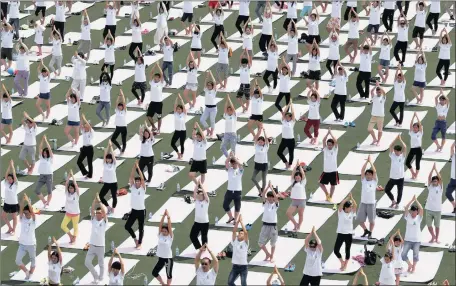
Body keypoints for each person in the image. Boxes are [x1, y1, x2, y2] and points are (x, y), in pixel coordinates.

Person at [85, 194, 108, 284]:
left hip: (101, 246)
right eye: (97, 213)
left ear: (102, 214)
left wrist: (100, 202)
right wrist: (95, 201)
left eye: (99, 213)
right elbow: (91, 210)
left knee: (101, 263)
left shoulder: (104, 221)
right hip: (92, 245)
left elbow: (105, 213)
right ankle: (95, 276)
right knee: (87, 262)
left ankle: (101, 278)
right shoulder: (94, 219)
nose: (98, 214)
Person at [125, 162, 147, 249]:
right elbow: (131, 177)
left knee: (141, 228)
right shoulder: (132, 187)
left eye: (138, 182)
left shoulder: (143, 188)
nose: (137, 182)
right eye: (136, 181)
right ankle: (135, 239)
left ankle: (140, 243)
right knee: (127, 226)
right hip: (134, 210)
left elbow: (142, 178)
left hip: (141, 210)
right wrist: (134, 168)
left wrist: (138, 168)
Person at [15, 194, 36, 280]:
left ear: (30, 212)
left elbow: (32, 212)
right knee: (17, 260)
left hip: (31, 244)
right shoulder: (22, 218)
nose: (25, 214)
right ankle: (27, 272)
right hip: (22, 244)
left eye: (27, 213)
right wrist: (23, 201)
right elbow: (21, 209)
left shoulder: (34, 220)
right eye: (25, 213)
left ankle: (30, 274)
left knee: (33, 261)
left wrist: (28, 202)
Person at [356, 155, 377, 239]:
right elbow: (362, 170)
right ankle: (365, 230)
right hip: (363, 203)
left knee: (371, 220)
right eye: (367, 174)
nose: (368, 176)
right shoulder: (363, 180)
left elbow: (374, 171)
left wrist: (371, 162)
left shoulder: (374, 181)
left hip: (371, 203)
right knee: (360, 220)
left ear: (372, 176)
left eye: (369, 174)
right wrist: (366, 162)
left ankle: (370, 232)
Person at [334, 194, 357, 271]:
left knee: (347, 250)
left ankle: (345, 264)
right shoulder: (340, 212)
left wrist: (352, 198)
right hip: (341, 234)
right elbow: (341, 205)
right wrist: (347, 198)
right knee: (336, 250)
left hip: (349, 234)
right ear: (346, 207)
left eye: (351, 207)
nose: (351, 208)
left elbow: (355, 206)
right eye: (350, 207)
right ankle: (342, 262)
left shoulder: (352, 213)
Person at [401, 195, 423, 273]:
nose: (413, 213)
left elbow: (421, 208)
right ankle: (410, 265)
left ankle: (413, 267)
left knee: (415, 255)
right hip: (408, 240)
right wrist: (411, 200)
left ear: (417, 212)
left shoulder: (419, 218)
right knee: (403, 255)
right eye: (412, 211)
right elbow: (406, 208)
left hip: (417, 240)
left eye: (415, 211)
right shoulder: (408, 216)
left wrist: (416, 200)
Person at [384, 135, 407, 208]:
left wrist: (400, 139)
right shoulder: (392, 155)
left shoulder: (402, 156)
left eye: (398, 151)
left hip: (400, 177)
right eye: (395, 151)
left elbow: (405, 147)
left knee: (399, 192)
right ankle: (393, 201)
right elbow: (390, 146)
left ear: (400, 151)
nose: (396, 152)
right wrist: (395, 139)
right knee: (387, 189)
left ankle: (397, 203)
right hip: (393, 177)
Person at [152, 210, 174, 286]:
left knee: (168, 274)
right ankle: (163, 284)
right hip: (161, 258)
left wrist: (168, 217)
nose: (164, 232)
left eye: (165, 231)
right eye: (163, 231)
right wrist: (163, 216)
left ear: (168, 232)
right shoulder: (160, 235)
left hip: (168, 258)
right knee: (154, 272)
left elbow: (170, 226)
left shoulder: (170, 237)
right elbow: (160, 225)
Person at [259, 181, 279, 262]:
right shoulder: (265, 204)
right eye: (269, 197)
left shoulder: (275, 205)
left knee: (273, 243)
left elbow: (276, 198)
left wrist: (271, 188)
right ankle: (267, 254)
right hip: (265, 225)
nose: (270, 198)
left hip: (273, 226)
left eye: (271, 197)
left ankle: (272, 256)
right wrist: (268, 187)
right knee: (260, 243)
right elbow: (263, 195)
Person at [227, 215, 249, 286]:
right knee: (230, 282)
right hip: (235, 266)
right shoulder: (235, 241)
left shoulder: (245, 243)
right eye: (239, 233)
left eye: (241, 233)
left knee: (243, 283)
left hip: (243, 267)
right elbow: (234, 231)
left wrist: (241, 222)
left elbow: (246, 233)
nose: (240, 234)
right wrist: (237, 222)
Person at [60, 170, 80, 244]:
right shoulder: (67, 193)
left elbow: (76, 184)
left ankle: (74, 238)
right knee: (63, 225)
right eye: (70, 188)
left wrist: (73, 176)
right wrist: (68, 176)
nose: (70, 189)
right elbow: (66, 184)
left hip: (75, 213)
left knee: (75, 227)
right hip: (68, 213)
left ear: (74, 189)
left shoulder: (76, 194)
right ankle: (70, 236)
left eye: (72, 188)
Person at [224, 153, 244, 224]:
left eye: (235, 163)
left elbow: (241, 165)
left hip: (237, 191)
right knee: (225, 205)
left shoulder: (240, 170)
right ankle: (230, 217)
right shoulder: (229, 169)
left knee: (237, 206)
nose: (234, 164)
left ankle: (235, 220)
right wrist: (230, 156)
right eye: (233, 163)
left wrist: (235, 158)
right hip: (229, 190)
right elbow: (226, 162)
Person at [319, 128, 339, 202]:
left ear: (333, 145)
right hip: (326, 170)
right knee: (321, 183)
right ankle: (327, 194)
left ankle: (330, 196)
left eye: (330, 145)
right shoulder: (325, 149)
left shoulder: (335, 149)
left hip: (333, 170)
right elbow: (324, 140)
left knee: (332, 185)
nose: (329, 146)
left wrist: (331, 133)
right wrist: (327, 133)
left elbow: (336, 141)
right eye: (328, 145)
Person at [425, 163, 443, 244]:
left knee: (437, 226)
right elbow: (429, 177)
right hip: (429, 209)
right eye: (433, 181)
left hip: (437, 210)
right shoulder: (430, 186)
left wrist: (436, 169)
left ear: (438, 181)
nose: (434, 182)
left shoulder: (440, 187)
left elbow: (440, 178)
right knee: (429, 225)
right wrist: (432, 170)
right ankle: (433, 236)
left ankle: (437, 238)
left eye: (435, 181)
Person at [190, 180, 210, 251]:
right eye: (198, 193)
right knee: (192, 235)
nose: (198, 194)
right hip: (197, 222)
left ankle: (204, 249)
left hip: (205, 222)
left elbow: (205, 194)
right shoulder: (197, 201)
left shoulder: (206, 201)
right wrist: (197, 184)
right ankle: (199, 247)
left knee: (204, 237)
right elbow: (194, 193)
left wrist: (201, 185)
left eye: (200, 193)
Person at [286, 162, 306, 232]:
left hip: (301, 201)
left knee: (300, 214)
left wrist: (300, 167)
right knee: (288, 213)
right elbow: (292, 174)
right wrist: (295, 166)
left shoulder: (303, 182)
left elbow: (303, 174)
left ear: (301, 178)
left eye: (298, 177)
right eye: (296, 177)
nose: (297, 178)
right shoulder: (293, 182)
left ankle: (298, 226)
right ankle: (296, 224)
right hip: (294, 201)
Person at [99, 141, 118, 214]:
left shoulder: (114, 164)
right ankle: (108, 207)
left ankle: (113, 208)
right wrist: (108, 146)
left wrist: (111, 147)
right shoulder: (105, 164)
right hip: (106, 183)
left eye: (110, 159)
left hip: (113, 183)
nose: (108, 160)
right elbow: (105, 154)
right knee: (101, 196)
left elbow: (113, 155)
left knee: (114, 197)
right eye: (107, 159)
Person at [35, 135, 53, 207]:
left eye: (46, 153)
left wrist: (46, 141)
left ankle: (48, 203)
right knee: (37, 190)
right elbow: (40, 148)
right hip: (42, 175)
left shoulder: (50, 158)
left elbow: (50, 149)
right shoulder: (41, 157)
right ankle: (44, 201)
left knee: (49, 191)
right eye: (44, 153)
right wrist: (42, 140)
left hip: (49, 176)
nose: (44, 154)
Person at [147, 63, 165, 134]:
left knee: (159, 117)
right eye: (154, 77)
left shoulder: (161, 83)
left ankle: (159, 129)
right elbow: (151, 73)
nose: (155, 78)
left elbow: (162, 74)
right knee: (149, 116)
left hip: (159, 103)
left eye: (157, 77)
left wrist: (158, 66)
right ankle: (154, 127)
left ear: (159, 78)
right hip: (152, 102)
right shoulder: (152, 82)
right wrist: (155, 66)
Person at [2, 159, 18, 235]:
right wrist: (9, 166)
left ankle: (14, 230)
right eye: (8, 179)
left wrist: (12, 166)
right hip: (7, 202)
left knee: (14, 217)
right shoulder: (6, 183)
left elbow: (14, 174)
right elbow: (6, 174)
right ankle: (10, 228)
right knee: (3, 216)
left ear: (13, 179)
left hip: (14, 203)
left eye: (10, 179)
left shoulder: (15, 184)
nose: (8, 180)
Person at [278, 103, 296, 169]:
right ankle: (286, 162)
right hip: (284, 140)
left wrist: (291, 105)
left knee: (291, 153)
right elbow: (284, 112)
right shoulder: (283, 121)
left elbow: (293, 113)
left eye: (288, 116)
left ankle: (290, 164)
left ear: (290, 117)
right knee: (279, 152)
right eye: (286, 116)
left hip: (291, 140)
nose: (286, 117)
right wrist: (288, 105)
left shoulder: (292, 122)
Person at [406, 113, 423, 180]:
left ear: (418, 128)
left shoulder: (420, 133)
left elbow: (420, 125)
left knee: (417, 163)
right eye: (414, 127)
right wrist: (413, 116)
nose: (415, 128)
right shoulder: (411, 133)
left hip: (418, 149)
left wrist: (417, 117)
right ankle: (413, 173)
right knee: (407, 162)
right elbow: (410, 125)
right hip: (412, 149)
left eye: (416, 127)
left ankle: (416, 175)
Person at [252, 129, 269, 195]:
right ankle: (259, 189)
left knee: (263, 178)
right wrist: (259, 131)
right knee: (253, 178)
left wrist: (264, 132)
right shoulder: (256, 146)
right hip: (257, 164)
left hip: (264, 164)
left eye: (262, 142)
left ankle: (262, 191)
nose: (260, 143)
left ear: (264, 142)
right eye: (259, 142)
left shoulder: (266, 146)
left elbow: (266, 139)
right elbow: (256, 137)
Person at [200, 72, 218, 137]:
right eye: (208, 85)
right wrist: (207, 76)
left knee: (212, 121)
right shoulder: (206, 90)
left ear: (212, 86)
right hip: (207, 108)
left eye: (210, 85)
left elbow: (214, 82)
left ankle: (211, 133)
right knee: (202, 119)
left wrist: (211, 74)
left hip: (213, 108)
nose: (208, 86)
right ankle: (208, 130)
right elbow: (205, 82)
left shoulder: (214, 90)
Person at [171, 94, 187, 159]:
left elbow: (184, 107)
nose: (178, 110)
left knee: (182, 144)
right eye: (177, 109)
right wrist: (177, 99)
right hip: (177, 131)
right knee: (172, 143)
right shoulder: (175, 114)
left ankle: (182, 155)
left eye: (180, 109)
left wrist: (181, 99)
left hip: (183, 131)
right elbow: (174, 106)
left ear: (182, 110)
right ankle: (178, 153)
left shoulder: (184, 114)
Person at [237, 49, 252, 113]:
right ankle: (243, 107)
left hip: (247, 85)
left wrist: (247, 53)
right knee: (238, 98)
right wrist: (243, 52)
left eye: (244, 64)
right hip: (242, 84)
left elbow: (248, 60)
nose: (243, 65)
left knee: (247, 98)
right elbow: (240, 58)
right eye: (243, 64)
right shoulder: (241, 67)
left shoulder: (248, 68)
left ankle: (247, 108)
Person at [446, 142, 456, 214]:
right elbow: (451, 148)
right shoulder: (453, 156)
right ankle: (455, 206)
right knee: (447, 193)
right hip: (452, 179)